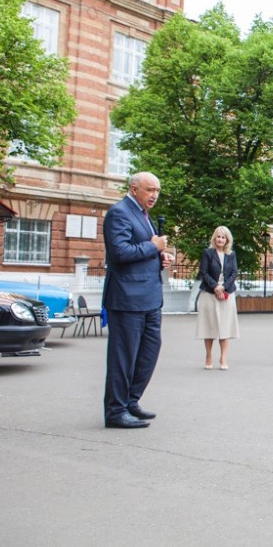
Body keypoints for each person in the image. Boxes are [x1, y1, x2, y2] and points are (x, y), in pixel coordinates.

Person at [102, 171, 172, 429]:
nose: (154, 195)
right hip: (127, 299)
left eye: (157, 191)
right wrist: (154, 247)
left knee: (148, 353)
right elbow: (119, 253)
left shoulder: (143, 215)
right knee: (123, 357)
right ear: (134, 189)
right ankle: (116, 411)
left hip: (150, 297)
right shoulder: (119, 213)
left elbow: (142, 251)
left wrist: (160, 257)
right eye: (150, 189)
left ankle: (131, 400)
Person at [195, 225, 240, 370]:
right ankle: (208, 355)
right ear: (214, 238)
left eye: (223, 237)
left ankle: (223, 357)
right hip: (209, 293)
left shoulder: (231, 254)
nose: (220, 239)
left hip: (227, 293)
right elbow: (204, 272)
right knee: (209, 325)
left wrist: (223, 287)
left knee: (224, 327)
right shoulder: (207, 253)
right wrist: (215, 287)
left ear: (227, 240)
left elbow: (234, 273)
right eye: (218, 237)